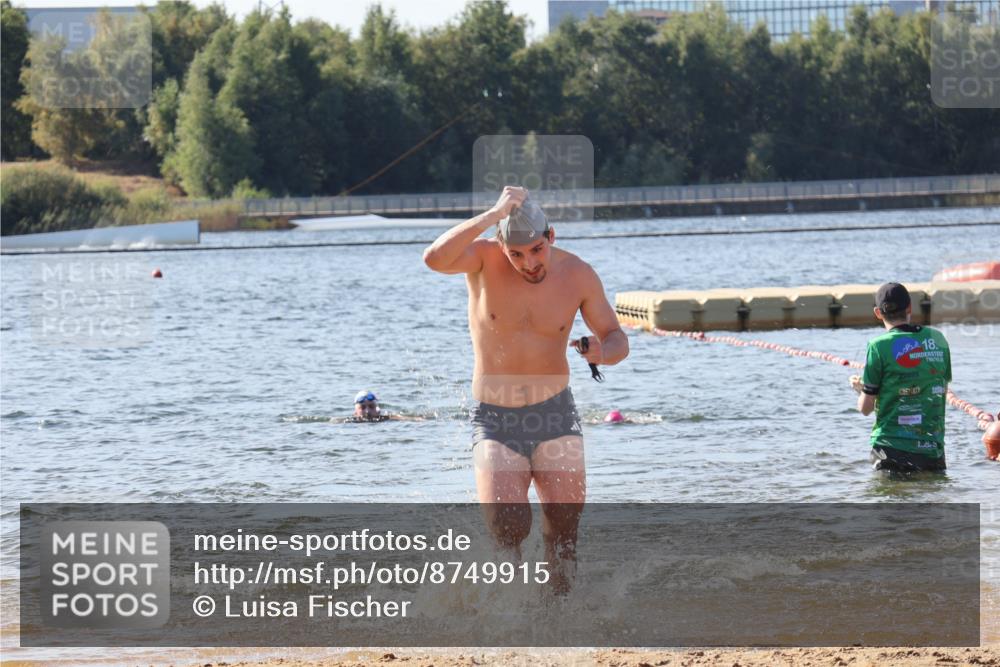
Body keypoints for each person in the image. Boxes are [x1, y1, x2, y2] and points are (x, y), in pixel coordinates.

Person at [423, 185, 629, 592]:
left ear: (551, 236)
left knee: (563, 533)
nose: (528, 263)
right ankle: (510, 616)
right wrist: (492, 215)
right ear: (501, 245)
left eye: (536, 250)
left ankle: (560, 615)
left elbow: (617, 338)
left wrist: (602, 353)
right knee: (508, 528)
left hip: (555, 414)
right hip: (495, 418)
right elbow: (433, 258)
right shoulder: (482, 259)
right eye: (515, 254)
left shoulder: (578, 274)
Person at [849, 282, 952, 473]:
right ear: (909, 308)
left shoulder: (878, 346)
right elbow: (940, 391)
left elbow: (865, 408)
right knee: (932, 491)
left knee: (890, 493)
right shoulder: (937, 339)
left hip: (890, 447)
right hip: (931, 448)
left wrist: (862, 391)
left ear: (878, 313)